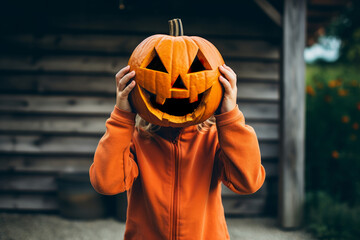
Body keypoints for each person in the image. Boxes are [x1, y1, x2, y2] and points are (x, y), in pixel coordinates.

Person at [89, 64, 266, 240]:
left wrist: (230, 117)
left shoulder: (215, 138)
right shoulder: (135, 139)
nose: (177, 85)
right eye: (160, 70)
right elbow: (106, 183)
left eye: (194, 70)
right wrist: (121, 117)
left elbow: (247, 182)